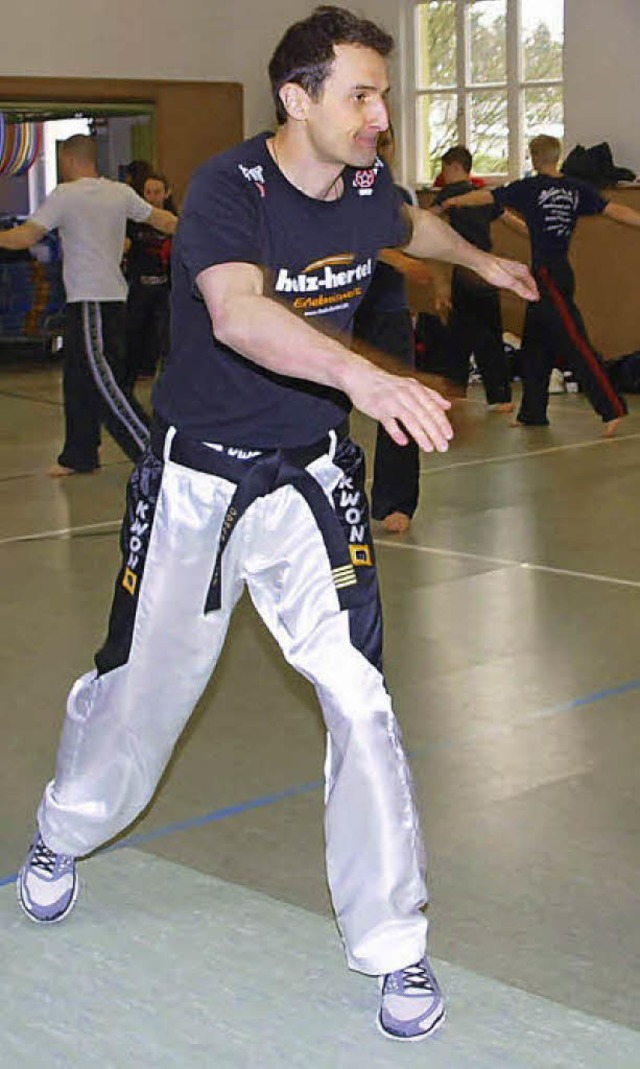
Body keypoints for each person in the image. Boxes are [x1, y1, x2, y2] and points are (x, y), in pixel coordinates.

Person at [16, 6, 537, 1043]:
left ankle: (393, 947)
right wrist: (362, 373)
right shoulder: (226, 190)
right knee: (143, 695)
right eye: (359, 95)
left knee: (360, 699)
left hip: (308, 483)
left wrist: (482, 266)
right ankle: (59, 832)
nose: (379, 114)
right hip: (198, 484)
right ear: (296, 99)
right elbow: (236, 313)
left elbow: (408, 223)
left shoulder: (358, 187)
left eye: (383, 95)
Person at [0, 135, 177, 475]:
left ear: (68, 160)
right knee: (78, 378)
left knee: (105, 384)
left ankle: (154, 455)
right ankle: (79, 454)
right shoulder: (119, 192)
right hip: (108, 300)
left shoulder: (66, 195)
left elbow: (25, 237)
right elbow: (161, 219)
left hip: (92, 301)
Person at [445, 134, 640, 434]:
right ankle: (532, 412)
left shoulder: (529, 188)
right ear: (557, 156)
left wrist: (455, 199)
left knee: (574, 340)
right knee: (535, 345)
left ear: (534, 158)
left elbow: (486, 197)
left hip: (548, 276)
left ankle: (611, 405)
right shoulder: (577, 189)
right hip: (554, 273)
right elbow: (615, 210)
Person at [352, 125, 433, 535]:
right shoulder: (339, 187)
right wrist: (397, 260)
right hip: (343, 311)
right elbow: (351, 239)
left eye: (387, 142)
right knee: (323, 407)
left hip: (390, 311)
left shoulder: (401, 195)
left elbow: (421, 242)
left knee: (401, 407)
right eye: (374, 142)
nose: (381, 150)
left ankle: (395, 500)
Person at [430, 145, 516, 411]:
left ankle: (455, 390)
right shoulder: (482, 196)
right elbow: (509, 220)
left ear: (455, 167)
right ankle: (500, 397)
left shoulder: (449, 194)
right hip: (486, 270)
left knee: (458, 333)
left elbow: (428, 219)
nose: (443, 175)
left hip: (463, 269)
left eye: (445, 168)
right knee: (491, 333)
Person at [124, 172, 174, 387]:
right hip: (139, 286)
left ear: (166, 193)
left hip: (165, 287)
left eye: (157, 192)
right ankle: (135, 371)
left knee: (165, 334)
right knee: (134, 331)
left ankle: (168, 376)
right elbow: (124, 245)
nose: (152, 197)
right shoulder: (134, 222)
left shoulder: (173, 220)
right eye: (148, 192)